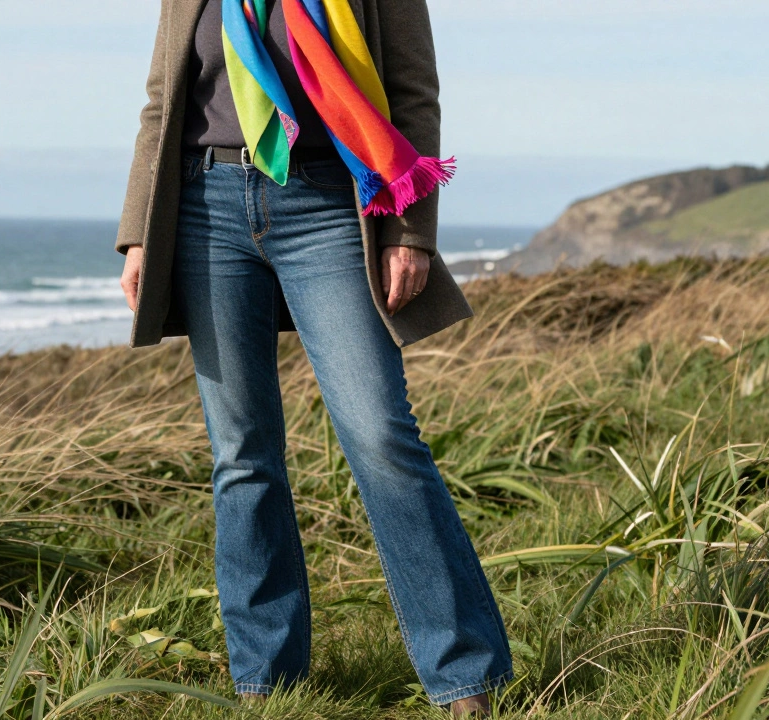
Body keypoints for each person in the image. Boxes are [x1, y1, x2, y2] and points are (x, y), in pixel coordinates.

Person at [115, 0, 513, 714]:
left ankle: (466, 677)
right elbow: (161, 102)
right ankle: (265, 681)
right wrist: (139, 233)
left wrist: (411, 230)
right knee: (241, 453)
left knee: (381, 435)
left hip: (330, 203)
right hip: (209, 207)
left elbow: (415, 95)